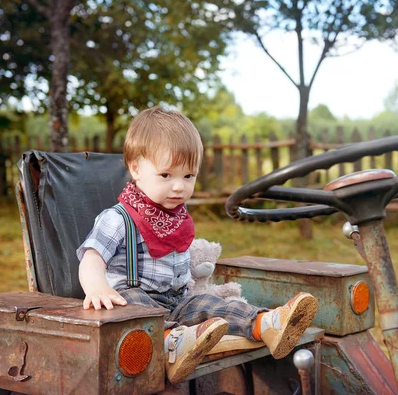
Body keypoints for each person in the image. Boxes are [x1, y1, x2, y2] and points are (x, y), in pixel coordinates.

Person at [77, 106, 318, 384]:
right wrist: (98, 289)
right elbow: (91, 257)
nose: (179, 187)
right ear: (136, 169)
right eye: (166, 175)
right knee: (134, 302)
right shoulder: (117, 219)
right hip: (132, 305)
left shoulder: (176, 217)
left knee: (209, 302)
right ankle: (172, 344)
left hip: (177, 302)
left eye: (188, 176)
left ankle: (265, 324)